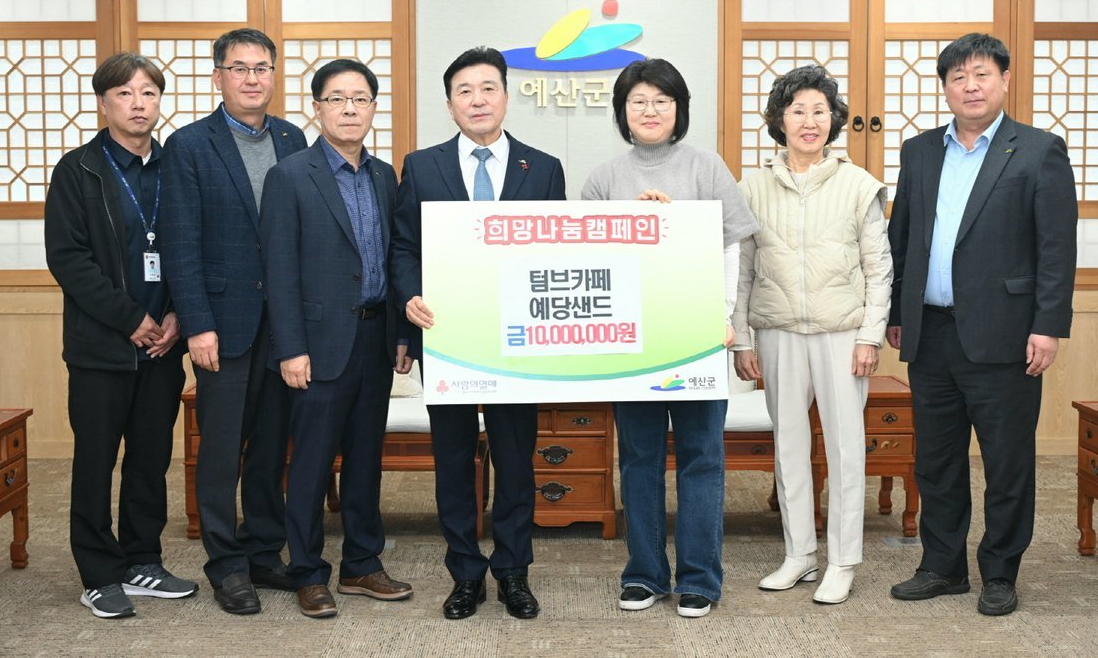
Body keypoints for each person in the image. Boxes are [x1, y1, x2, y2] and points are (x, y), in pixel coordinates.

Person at [887, 33, 1077, 616]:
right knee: (936, 461)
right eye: (958, 77)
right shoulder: (920, 151)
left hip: (1007, 333)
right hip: (931, 332)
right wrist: (897, 313)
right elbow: (902, 237)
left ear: (1004, 80)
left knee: (1007, 462)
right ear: (945, 87)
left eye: (982, 74)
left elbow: (1056, 248)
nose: (970, 86)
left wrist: (1048, 325)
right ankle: (941, 566)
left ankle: (999, 571)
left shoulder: (1039, 151)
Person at [392, 46, 566, 620]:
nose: (477, 100)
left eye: (488, 88)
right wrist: (408, 298)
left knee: (516, 462)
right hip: (448, 339)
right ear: (450, 105)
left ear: (506, 97)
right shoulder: (422, 165)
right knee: (454, 460)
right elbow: (404, 247)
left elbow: (557, 251)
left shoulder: (543, 168)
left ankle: (514, 571)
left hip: (518, 341)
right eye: (464, 91)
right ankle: (465, 573)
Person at [581, 58, 757, 618]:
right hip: (632, 342)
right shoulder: (604, 178)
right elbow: (587, 260)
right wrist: (634, 225)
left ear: (679, 108)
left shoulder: (707, 167)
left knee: (702, 458)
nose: (650, 110)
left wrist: (727, 319)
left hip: (699, 336)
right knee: (638, 459)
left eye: (662, 100)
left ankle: (700, 578)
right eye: (638, 101)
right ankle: (645, 574)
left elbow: (733, 250)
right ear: (622, 111)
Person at [730, 64, 892, 605]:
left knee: (846, 448)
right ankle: (799, 554)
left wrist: (870, 335)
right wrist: (742, 339)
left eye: (819, 111)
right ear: (779, 120)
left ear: (833, 119)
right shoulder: (751, 187)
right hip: (777, 331)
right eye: (797, 110)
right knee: (789, 446)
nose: (809, 121)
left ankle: (842, 560)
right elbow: (741, 270)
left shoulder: (858, 185)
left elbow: (879, 268)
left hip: (842, 333)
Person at [260, 59, 414, 618]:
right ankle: (307, 571)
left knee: (366, 461)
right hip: (317, 344)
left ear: (373, 108)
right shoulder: (290, 176)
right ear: (317, 108)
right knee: (311, 464)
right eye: (337, 98)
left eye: (360, 99)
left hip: (374, 339)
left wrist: (401, 334)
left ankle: (361, 564)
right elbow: (278, 270)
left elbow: (394, 259)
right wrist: (290, 348)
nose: (349, 109)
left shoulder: (384, 175)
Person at [45, 52, 198, 618]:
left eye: (149, 93)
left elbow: (191, 247)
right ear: (104, 103)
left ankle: (142, 561)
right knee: (95, 462)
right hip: (102, 347)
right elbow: (69, 259)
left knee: (150, 461)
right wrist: (129, 319)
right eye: (125, 94)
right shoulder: (78, 170)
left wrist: (178, 316)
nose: (138, 104)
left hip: (163, 345)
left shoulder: (176, 166)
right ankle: (98, 573)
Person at [160, 28, 307, 615]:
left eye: (262, 67)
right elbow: (180, 242)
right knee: (221, 450)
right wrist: (197, 324)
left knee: (272, 448)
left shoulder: (293, 139)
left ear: (274, 75)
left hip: (284, 325)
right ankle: (226, 565)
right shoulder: (189, 145)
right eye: (239, 68)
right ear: (218, 76)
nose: (252, 78)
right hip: (223, 323)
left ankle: (263, 552)